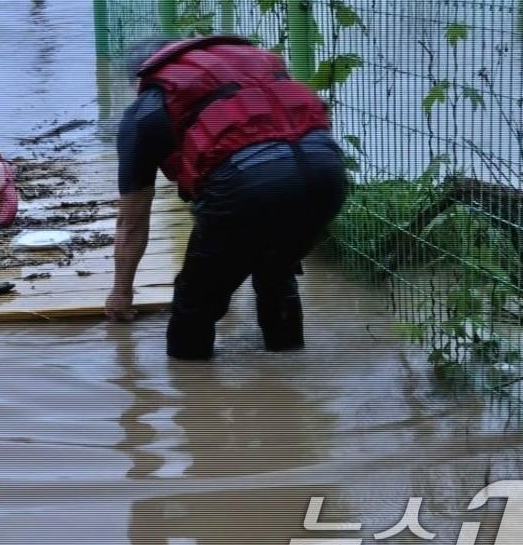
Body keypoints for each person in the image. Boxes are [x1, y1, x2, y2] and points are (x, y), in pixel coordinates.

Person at [104, 34, 349, 360]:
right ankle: (291, 375)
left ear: (143, 73)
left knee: (195, 301)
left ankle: (193, 393)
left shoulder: (146, 110)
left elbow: (132, 223)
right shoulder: (258, 74)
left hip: (249, 185)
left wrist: (121, 292)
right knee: (277, 271)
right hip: (328, 175)